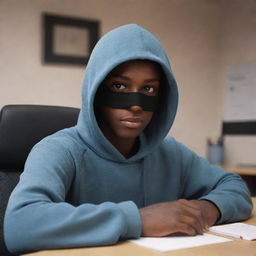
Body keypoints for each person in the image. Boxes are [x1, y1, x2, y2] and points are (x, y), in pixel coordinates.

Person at [4, 24, 252, 254]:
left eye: (148, 90)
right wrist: (138, 219)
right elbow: (20, 225)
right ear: (96, 90)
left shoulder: (169, 152)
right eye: (119, 87)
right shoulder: (58, 150)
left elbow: (235, 187)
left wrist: (203, 211)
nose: (135, 106)